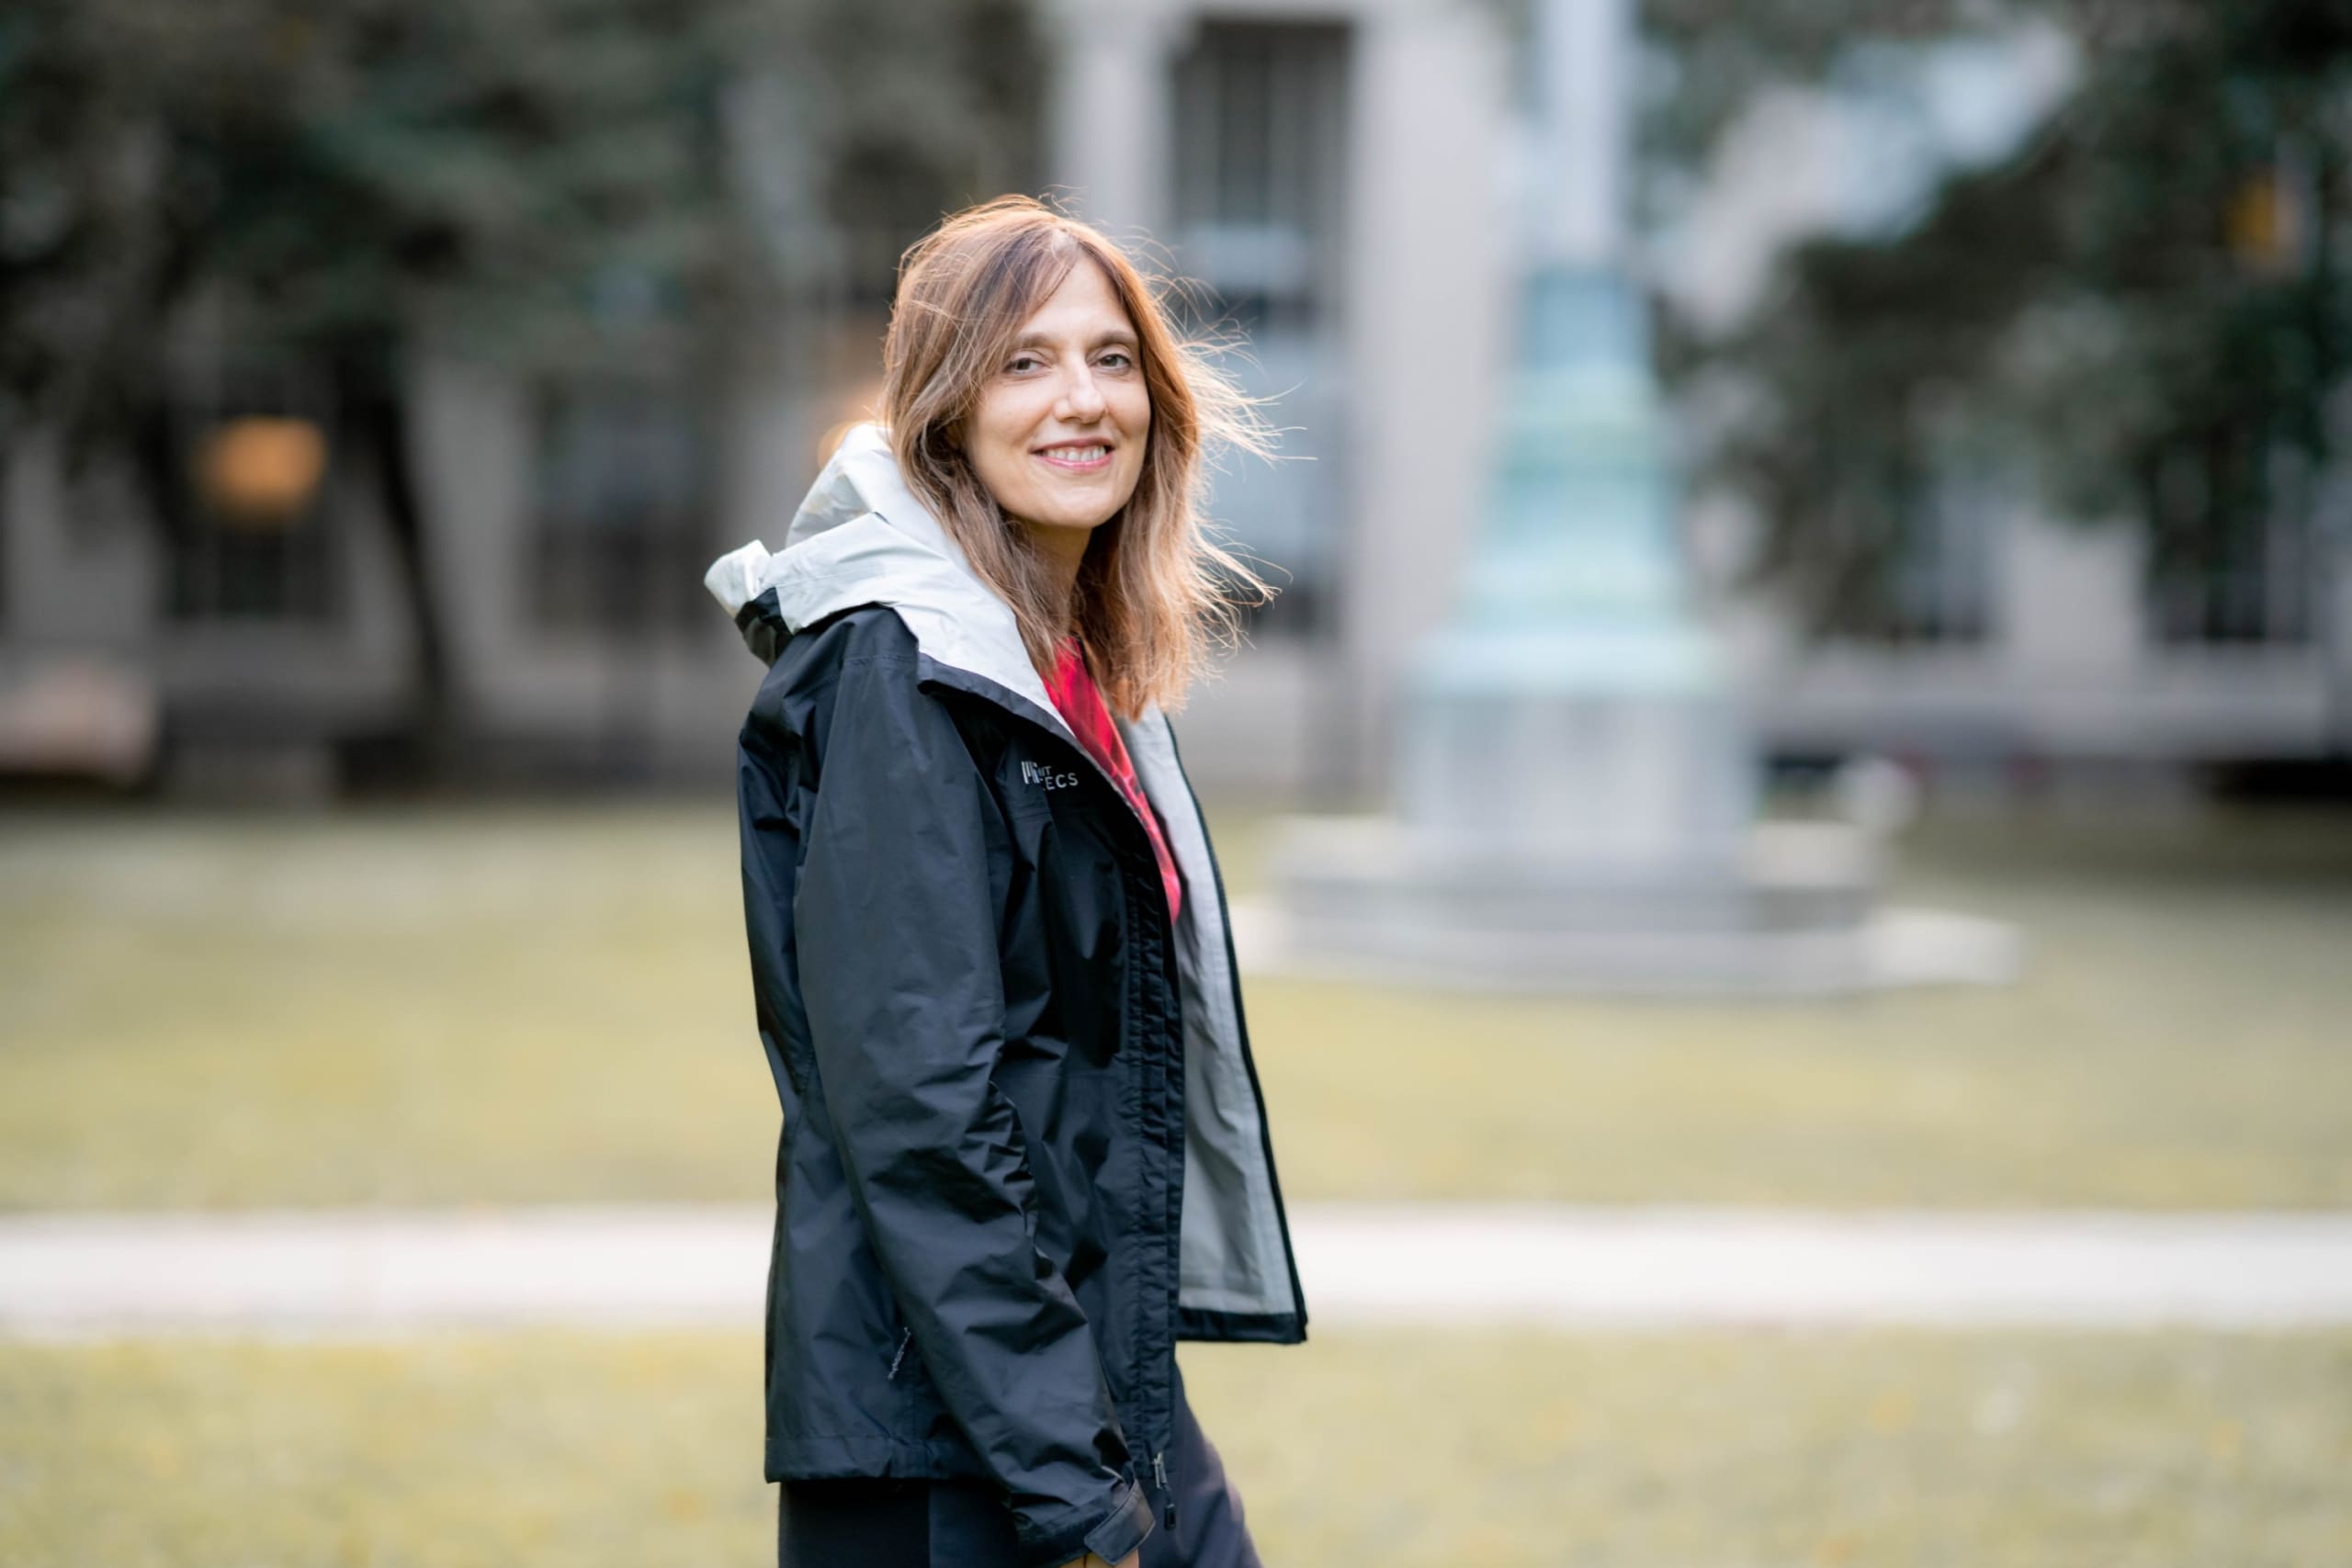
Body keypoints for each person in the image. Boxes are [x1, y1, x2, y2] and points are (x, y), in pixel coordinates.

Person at [705, 195, 1309, 1568]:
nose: (1081, 399)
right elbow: (922, 1109)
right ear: (944, 412)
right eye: (1024, 361)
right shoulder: (897, 669)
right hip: (949, 1439)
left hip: (1076, 1386)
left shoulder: (1065, 676)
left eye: (1112, 358)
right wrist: (1077, 1499)